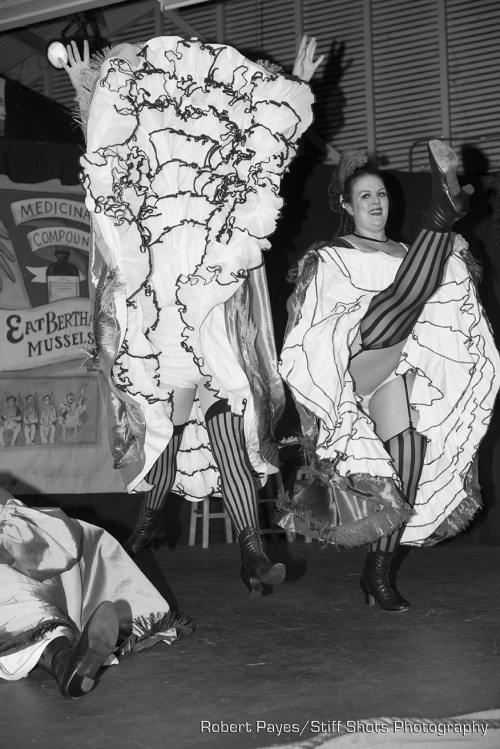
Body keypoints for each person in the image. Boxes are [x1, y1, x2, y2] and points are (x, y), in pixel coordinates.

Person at [60, 35, 323, 594]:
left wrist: (295, 89)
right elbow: (105, 164)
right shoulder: (142, 159)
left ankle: (249, 551)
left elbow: (265, 157)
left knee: (225, 407)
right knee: (170, 419)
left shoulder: (223, 163)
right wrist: (85, 88)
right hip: (159, 302)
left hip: (212, 299)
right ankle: (151, 521)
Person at [277, 141, 500, 611]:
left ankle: (377, 572)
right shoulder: (332, 253)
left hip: (400, 368)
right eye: (365, 197)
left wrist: (450, 260)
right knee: (390, 310)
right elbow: (317, 317)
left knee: (410, 451)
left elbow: (440, 304)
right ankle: (442, 214)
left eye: (381, 195)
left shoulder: (407, 252)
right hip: (357, 359)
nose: (377, 202)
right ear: (346, 206)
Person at [0, 486, 193, 697]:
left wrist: (76, 627)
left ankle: (67, 661)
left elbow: (67, 556)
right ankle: (65, 661)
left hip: (30, 603)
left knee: (21, 601)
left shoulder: (7, 516)